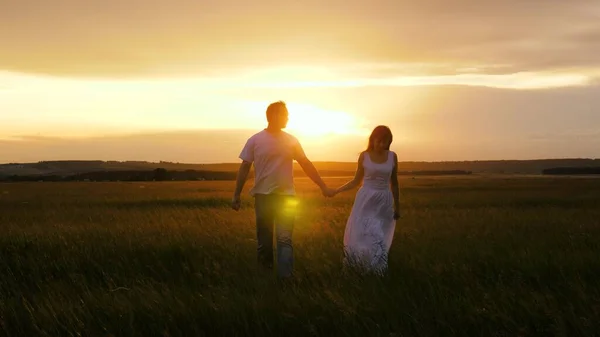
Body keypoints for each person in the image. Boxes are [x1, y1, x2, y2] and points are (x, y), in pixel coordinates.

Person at [231, 100, 335, 278]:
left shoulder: (291, 140)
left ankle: (285, 281)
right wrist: (236, 194)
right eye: (285, 114)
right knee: (264, 243)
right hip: (263, 198)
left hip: (287, 198)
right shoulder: (255, 140)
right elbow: (244, 167)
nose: (288, 117)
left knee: (284, 240)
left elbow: (306, 164)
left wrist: (322, 185)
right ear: (273, 115)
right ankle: (266, 280)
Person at [331, 125, 400, 275]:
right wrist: (336, 191)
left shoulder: (393, 156)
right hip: (365, 199)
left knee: (379, 233)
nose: (382, 145)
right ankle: (359, 265)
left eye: (386, 142)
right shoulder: (364, 156)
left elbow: (394, 182)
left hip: (384, 200)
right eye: (380, 141)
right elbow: (356, 181)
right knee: (362, 232)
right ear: (373, 139)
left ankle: (377, 270)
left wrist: (398, 206)